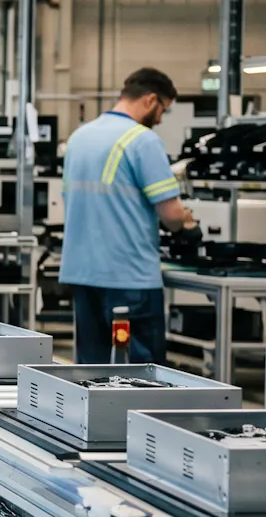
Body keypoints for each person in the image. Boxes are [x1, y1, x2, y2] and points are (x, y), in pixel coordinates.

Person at [60, 66, 196, 364]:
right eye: (163, 110)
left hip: (83, 273)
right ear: (150, 100)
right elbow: (171, 214)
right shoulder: (142, 140)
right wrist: (187, 221)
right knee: (139, 375)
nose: (159, 119)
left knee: (92, 373)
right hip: (129, 278)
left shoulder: (79, 137)